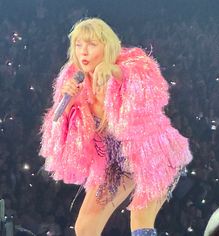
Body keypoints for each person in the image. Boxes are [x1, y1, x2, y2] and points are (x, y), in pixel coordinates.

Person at [39, 17, 193, 236]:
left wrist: (114, 71)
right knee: (85, 227)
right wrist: (69, 104)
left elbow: (147, 86)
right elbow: (56, 134)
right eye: (79, 45)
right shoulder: (73, 79)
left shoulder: (131, 64)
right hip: (113, 163)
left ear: (107, 46)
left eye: (91, 45)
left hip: (153, 156)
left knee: (140, 221)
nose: (83, 51)